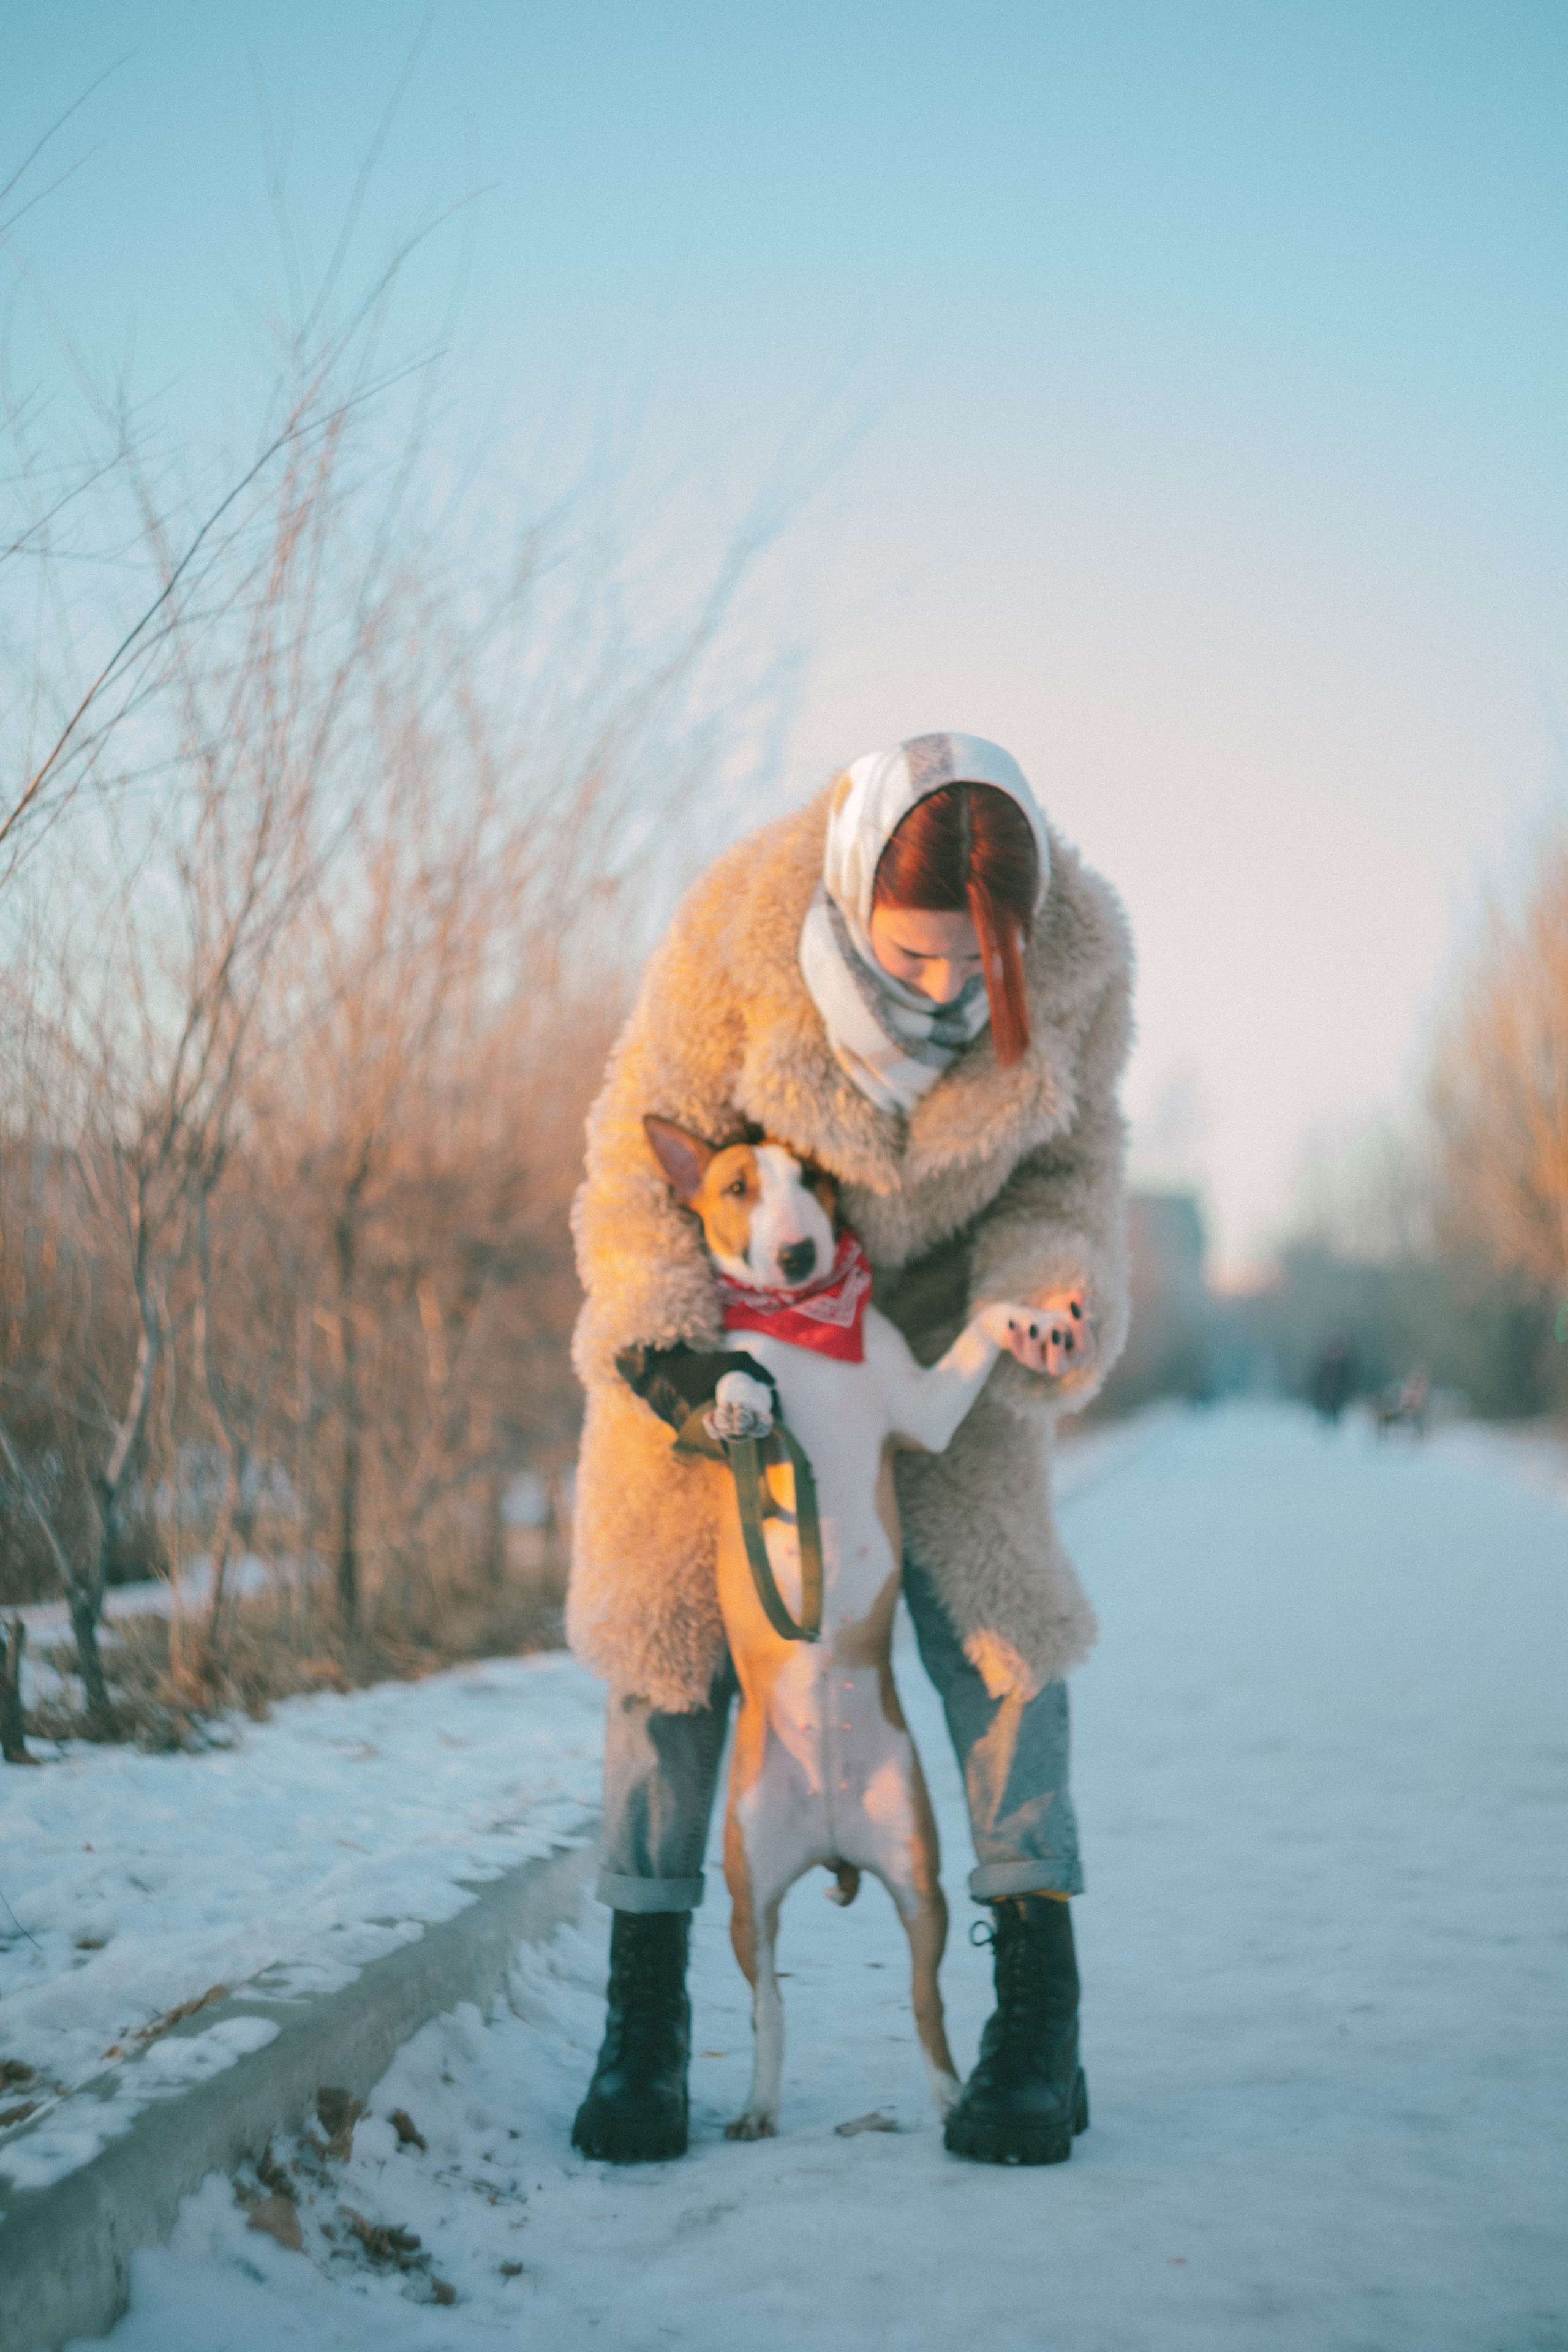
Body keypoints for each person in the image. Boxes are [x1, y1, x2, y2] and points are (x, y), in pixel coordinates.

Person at [567, 733, 1133, 2165]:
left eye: (972, 961)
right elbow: (640, 1168)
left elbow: (1068, 1176)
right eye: (911, 954)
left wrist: (1051, 1294)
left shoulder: (1075, 967)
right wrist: (672, 1353)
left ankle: (1035, 2031)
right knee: (668, 1653)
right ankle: (640, 2028)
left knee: (1005, 1640)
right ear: (846, 891)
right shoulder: (736, 933)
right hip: (728, 1352)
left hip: (931, 1334)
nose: (942, 989)